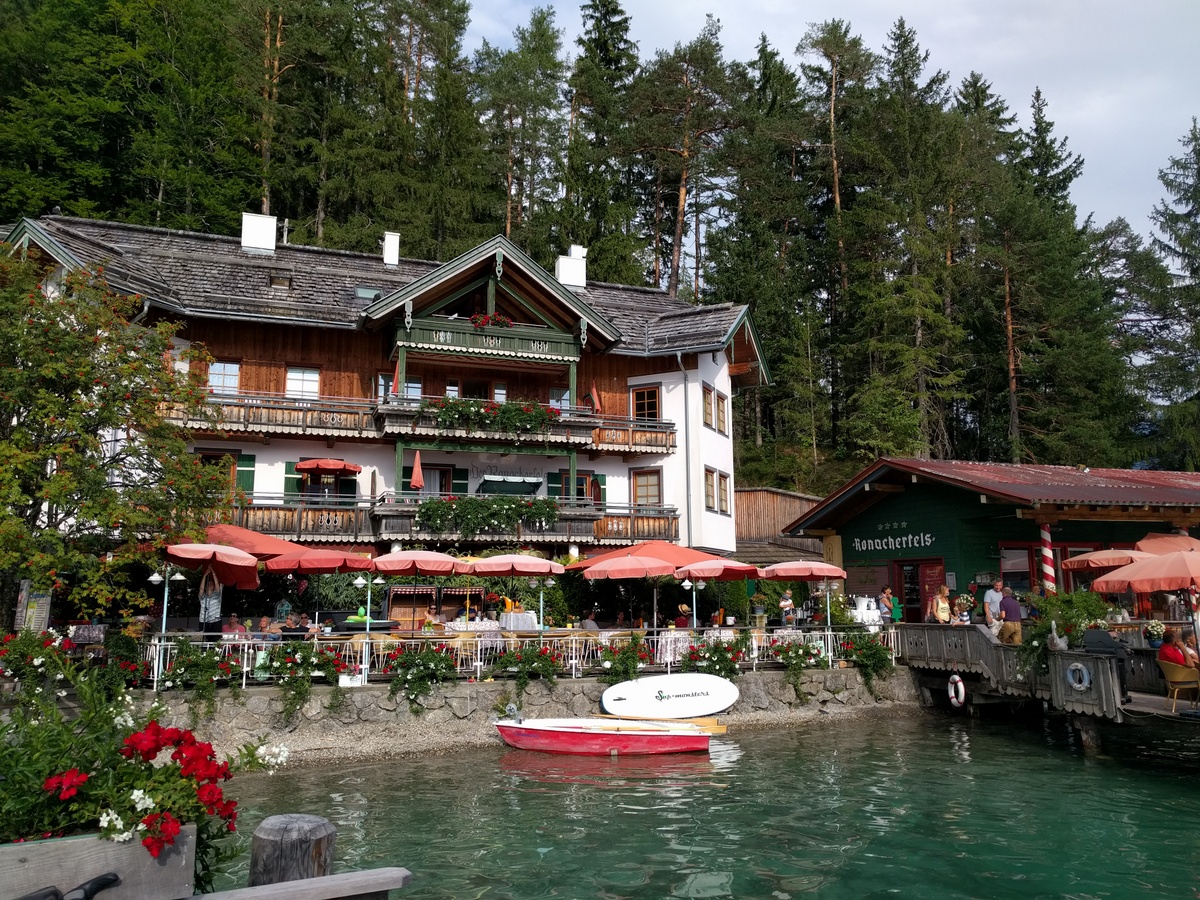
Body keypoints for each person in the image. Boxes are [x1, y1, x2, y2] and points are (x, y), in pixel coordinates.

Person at [198, 567, 223, 635]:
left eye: (211, 584)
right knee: (203, 639)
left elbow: (217, 584)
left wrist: (213, 573)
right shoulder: (203, 597)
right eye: (208, 584)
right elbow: (201, 589)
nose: (209, 585)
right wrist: (205, 575)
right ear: (205, 587)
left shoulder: (217, 595)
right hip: (203, 621)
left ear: (214, 587)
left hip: (215, 621)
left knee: (215, 639)